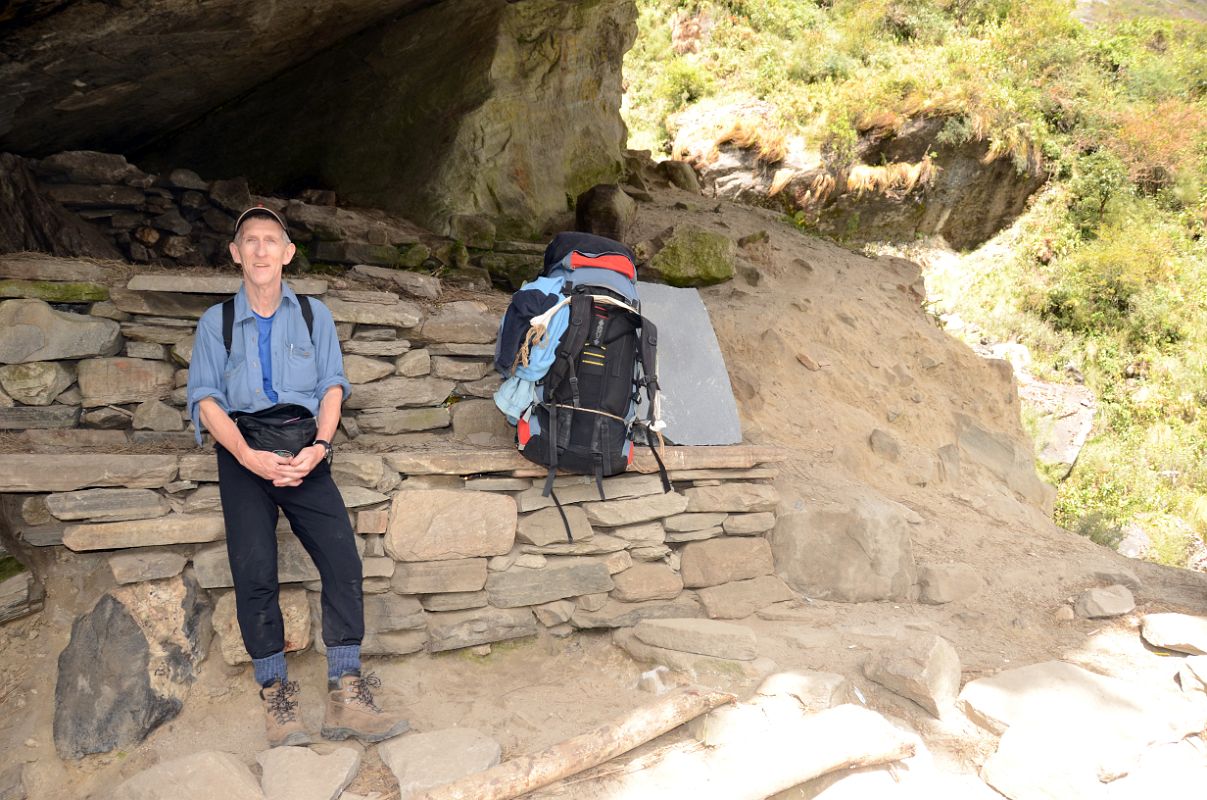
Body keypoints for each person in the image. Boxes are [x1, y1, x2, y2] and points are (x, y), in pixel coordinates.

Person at [186, 206, 408, 747]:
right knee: (255, 569)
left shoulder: (313, 315)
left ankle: (346, 691)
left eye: (271, 241)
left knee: (342, 559)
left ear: (287, 254)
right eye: (250, 242)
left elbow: (332, 386)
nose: (261, 250)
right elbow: (205, 399)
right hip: (243, 452)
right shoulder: (214, 323)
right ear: (236, 254)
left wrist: (320, 448)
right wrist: (247, 456)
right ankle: (277, 699)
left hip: (304, 447)